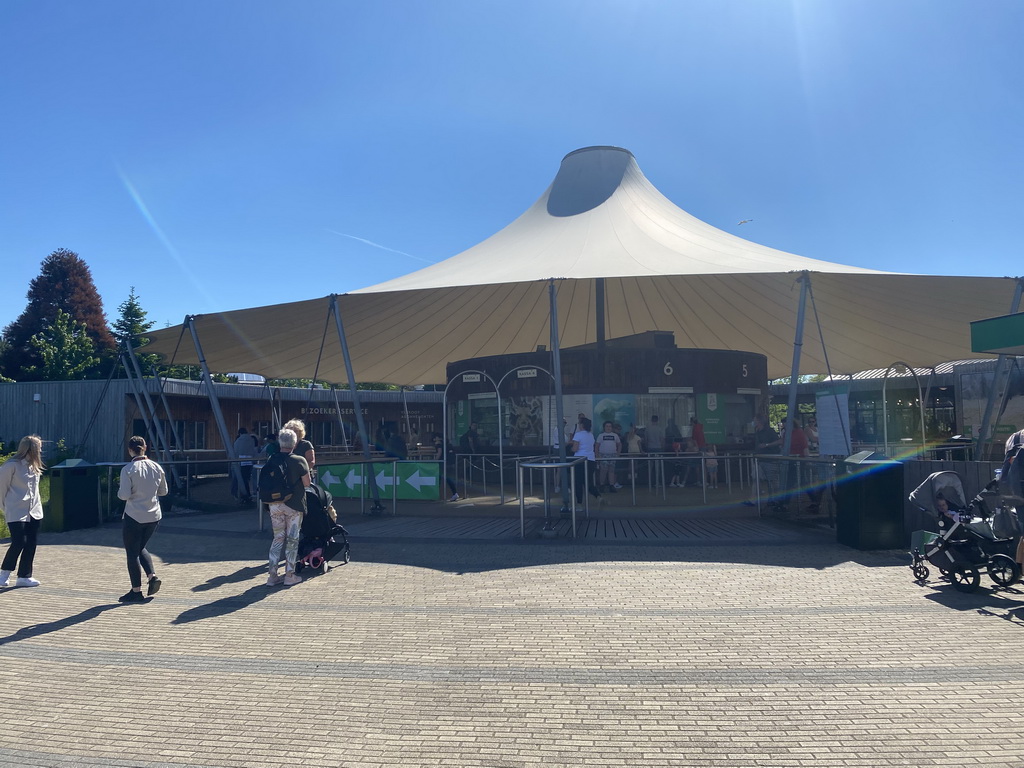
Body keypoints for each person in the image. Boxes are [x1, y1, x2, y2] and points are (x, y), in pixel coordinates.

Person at [117, 436, 168, 603]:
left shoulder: (128, 469)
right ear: (145, 447)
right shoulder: (157, 467)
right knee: (141, 547)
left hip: (134, 515)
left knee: (132, 552)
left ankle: (136, 591)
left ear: (130, 450)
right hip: (153, 515)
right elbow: (163, 492)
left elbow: (124, 495)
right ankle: (152, 576)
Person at [266, 428, 311, 586]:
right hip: (294, 505)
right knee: (292, 540)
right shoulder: (299, 460)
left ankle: (272, 576)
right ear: (294, 443)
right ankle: (289, 575)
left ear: (280, 442)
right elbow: (307, 483)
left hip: (274, 504)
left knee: (277, 538)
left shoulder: (272, 458)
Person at [0, 435, 45, 588]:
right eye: (38, 447)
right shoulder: (11, 466)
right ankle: (5, 573)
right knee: (19, 541)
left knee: (31, 542)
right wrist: (5, 508)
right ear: (31, 448)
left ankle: (24, 576)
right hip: (16, 510)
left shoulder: (34, 467)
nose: (40, 450)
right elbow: (1, 488)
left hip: (34, 510)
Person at [570, 417, 600, 504]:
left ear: (582, 425)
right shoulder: (591, 435)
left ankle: (579, 503)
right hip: (591, 459)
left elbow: (575, 449)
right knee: (589, 481)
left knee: (578, 482)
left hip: (579, 460)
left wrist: (571, 449)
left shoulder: (578, 435)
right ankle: (598, 496)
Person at [595, 421, 621, 493]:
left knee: (611, 471)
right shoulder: (601, 436)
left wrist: (618, 454)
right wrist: (597, 456)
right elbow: (597, 446)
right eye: (607, 426)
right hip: (603, 455)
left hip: (613, 455)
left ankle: (611, 485)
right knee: (603, 471)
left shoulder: (615, 435)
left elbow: (619, 445)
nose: (608, 428)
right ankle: (602, 485)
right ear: (604, 427)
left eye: (610, 426)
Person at [231, 427, 255, 504]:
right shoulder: (251, 440)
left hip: (240, 462)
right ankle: (246, 494)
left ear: (240, 433)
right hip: (250, 462)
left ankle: (244, 495)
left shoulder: (238, 441)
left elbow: (235, 451)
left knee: (239, 478)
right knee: (246, 479)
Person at [433, 433, 459, 501]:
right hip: (449, 463)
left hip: (442, 463)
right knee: (448, 478)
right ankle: (454, 493)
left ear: (438, 438)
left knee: (439, 479)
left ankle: (435, 494)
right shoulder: (447, 443)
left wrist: (435, 460)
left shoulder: (439, 444)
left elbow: (439, 452)